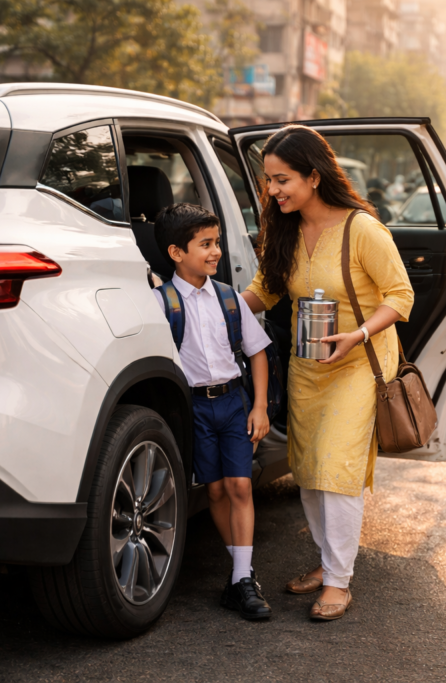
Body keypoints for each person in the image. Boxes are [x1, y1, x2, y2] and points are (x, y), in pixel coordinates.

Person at [241, 125, 413, 621]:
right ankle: (326, 560)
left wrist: (357, 335)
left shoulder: (362, 229)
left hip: (358, 362)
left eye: (282, 180)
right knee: (311, 468)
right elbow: (266, 291)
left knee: (337, 469)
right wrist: (205, 301)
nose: (273, 191)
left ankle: (339, 581)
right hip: (308, 364)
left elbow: (400, 297)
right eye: (268, 181)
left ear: (314, 177)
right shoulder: (285, 229)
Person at [152, 203, 274, 620]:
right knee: (216, 490)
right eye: (205, 244)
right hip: (195, 409)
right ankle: (240, 575)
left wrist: (259, 406)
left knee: (241, 486)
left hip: (233, 403)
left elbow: (257, 353)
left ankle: (242, 577)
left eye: (216, 242)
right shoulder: (160, 303)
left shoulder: (229, 298)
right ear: (176, 253)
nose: (216, 251)